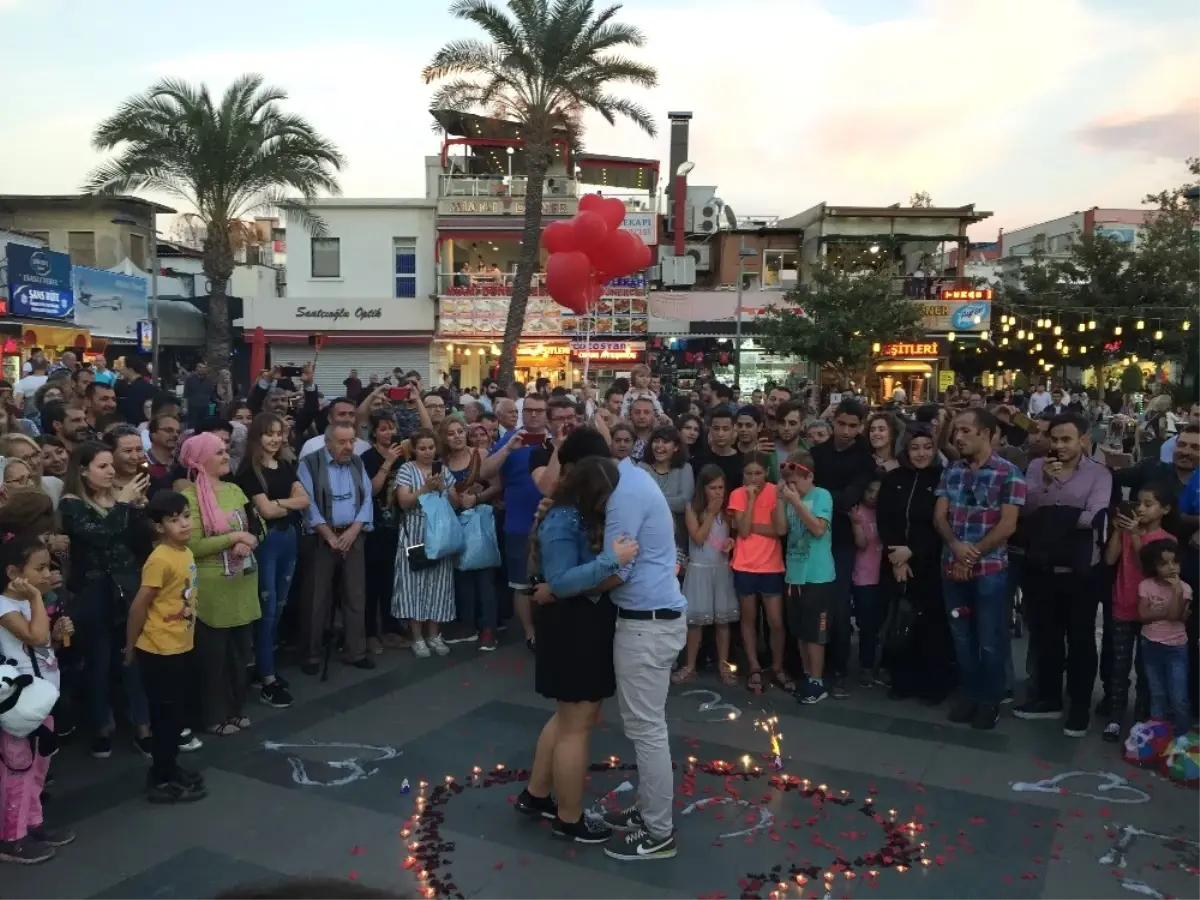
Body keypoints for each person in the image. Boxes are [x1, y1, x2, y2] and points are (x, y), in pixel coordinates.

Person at [519, 451, 635, 844]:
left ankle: (536, 795)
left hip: (585, 625)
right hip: (572, 629)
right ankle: (568, 818)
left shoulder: (579, 516)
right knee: (576, 726)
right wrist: (612, 564)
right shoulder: (562, 518)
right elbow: (563, 581)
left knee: (568, 718)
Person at [588, 453, 687, 861]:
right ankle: (649, 812)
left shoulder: (625, 493)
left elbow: (619, 571)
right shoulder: (635, 480)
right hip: (654, 619)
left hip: (646, 623)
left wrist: (567, 587)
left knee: (647, 731)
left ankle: (659, 833)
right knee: (647, 728)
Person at [1013, 413, 1111, 737]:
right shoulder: (1036, 468)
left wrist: (1054, 517)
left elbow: (1095, 514)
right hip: (1042, 565)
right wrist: (1045, 486)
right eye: (1055, 439)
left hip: (1081, 568)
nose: (1059, 446)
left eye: (1066, 439)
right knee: (1046, 635)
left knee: (1081, 639)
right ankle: (1049, 698)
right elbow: (1024, 508)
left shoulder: (1099, 474)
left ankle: (1079, 706)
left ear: (1083, 439)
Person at [934, 408, 1026, 730]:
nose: (957, 437)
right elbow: (940, 516)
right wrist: (956, 549)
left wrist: (970, 555)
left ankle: (990, 700)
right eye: (955, 431)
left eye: (965, 431)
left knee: (990, 637)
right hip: (952, 567)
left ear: (986, 433)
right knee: (961, 635)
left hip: (989, 570)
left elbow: (1008, 524)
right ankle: (970, 694)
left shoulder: (1009, 473)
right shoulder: (952, 471)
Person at [59, 441, 152, 759]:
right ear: (83, 471)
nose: (111, 471)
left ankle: (142, 725)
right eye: (102, 466)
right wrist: (124, 506)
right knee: (99, 660)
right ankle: (102, 726)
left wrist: (138, 508)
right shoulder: (72, 504)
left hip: (127, 585)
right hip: (94, 590)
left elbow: (140, 539)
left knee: (131, 655)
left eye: (111, 465)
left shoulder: (120, 498)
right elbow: (98, 535)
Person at [122, 491, 207, 803]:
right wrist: (131, 647)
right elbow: (138, 607)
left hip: (181, 643)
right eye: (174, 520)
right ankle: (159, 777)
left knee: (177, 714)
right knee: (165, 716)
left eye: (186, 516)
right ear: (158, 527)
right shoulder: (159, 559)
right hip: (158, 649)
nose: (184, 524)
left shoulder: (184, 551)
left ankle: (169, 766)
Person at [178, 432, 261, 736]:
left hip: (243, 582)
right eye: (218, 452)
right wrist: (235, 538)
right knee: (212, 659)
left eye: (226, 451)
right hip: (211, 587)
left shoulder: (235, 490)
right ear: (200, 459)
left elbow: (254, 526)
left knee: (240, 654)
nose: (226, 456)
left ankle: (236, 709)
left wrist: (248, 541)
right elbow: (194, 545)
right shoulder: (188, 498)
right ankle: (213, 716)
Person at [0, 535, 74, 864]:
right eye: (40, 568)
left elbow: (43, 646)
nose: (48, 575)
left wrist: (56, 637)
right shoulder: (4, 607)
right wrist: (36, 600)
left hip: (43, 698)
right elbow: (35, 636)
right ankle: (11, 837)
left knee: (39, 764)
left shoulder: (31, 603)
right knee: (17, 768)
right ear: (14, 572)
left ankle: (33, 822)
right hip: (18, 704)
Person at [238, 413, 310, 707]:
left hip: (288, 539)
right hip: (265, 543)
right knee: (267, 610)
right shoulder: (247, 472)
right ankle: (267, 678)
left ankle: (262, 668)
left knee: (279, 606)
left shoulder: (285, 466)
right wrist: (286, 505)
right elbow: (265, 512)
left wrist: (278, 504)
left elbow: (305, 501)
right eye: (269, 433)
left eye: (279, 433)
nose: (275, 439)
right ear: (257, 436)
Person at [877, 425, 951, 705]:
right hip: (897, 562)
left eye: (927, 447)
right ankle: (901, 680)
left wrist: (914, 551)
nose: (921, 454)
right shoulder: (894, 478)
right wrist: (896, 556)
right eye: (915, 448)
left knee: (932, 625)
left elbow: (942, 523)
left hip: (930, 563)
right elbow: (884, 519)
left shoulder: (943, 478)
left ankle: (934, 684)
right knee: (900, 622)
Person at [811, 398, 876, 697]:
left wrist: (823, 498)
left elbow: (849, 497)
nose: (847, 431)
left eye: (853, 426)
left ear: (861, 426)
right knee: (811, 602)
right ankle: (811, 666)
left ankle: (837, 669)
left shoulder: (865, 458)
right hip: (812, 537)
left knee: (837, 605)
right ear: (833, 421)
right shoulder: (817, 453)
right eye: (842, 424)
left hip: (842, 541)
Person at [297, 424, 374, 675]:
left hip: (353, 535)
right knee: (317, 597)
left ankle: (356, 651)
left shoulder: (357, 463)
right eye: (342, 442)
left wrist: (353, 531)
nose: (348, 447)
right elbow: (307, 503)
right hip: (322, 536)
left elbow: (367, 498)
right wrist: (329, 535)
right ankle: (311, 654)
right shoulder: (309, 463)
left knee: (356, 596)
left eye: (351, 441)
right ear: (328, 443)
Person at [1101, 481, 1174, 741]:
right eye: (1138, 503)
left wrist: (1134, 536)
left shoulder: (1166, 541)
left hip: (1150, 614)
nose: (1141, 509)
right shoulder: (1126, 531)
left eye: (1148, 504)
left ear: (1165, 509)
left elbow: (1153, 568)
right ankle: (1114, 717)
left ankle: (1142, 717)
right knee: (1119, 668)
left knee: (1146, 669)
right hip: (1122, 605)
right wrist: (1116, 532)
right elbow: (1110, 559)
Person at [480, 393, 551, 650]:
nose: (534, 415)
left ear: (546, 412)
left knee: (551, 579)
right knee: (521, 583)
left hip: (552, 523)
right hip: (519, 524)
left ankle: (548, 629)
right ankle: (530, 633)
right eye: (529, 410)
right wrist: (508, 449)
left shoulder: (556, 440)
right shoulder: (511, 439)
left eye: (539, 410)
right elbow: (485, 472)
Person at [728, 451, 790, 694]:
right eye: (749, 473)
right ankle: (754, 666)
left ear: (767, 472)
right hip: (744, 565)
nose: (753, 478)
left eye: (758, 473)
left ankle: (777, 666)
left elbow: (781, 529)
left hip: (771, 566)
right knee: (748, 619)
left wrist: (755, 525)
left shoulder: (776, 491)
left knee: (775, 621)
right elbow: (742, 531)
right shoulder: (737, 494)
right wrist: (751, 501)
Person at [392, 430, 457, 657]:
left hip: (439, 533)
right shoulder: (407, 470)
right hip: (416, 532)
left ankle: (434, 634)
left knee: (439, 584)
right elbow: (404, 502)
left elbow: (455, 501)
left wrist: (444, 490)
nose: (428, 452)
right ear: (414, 449)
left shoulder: (443, 470)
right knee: (414, 584)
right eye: (422, 448)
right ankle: (417, 637)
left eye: (431, 447)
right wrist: (425, 489)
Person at [778, 451, 835, 704]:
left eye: (796, 482)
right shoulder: (791, 499)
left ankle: (817, 680)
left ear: (809, 476)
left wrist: (796, 502)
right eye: (788, 483)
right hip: (794, 575)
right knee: (800, 631)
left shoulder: (821, 495)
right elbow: (781, 529)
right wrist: (781, 501)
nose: (792, 487)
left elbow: (818, 529)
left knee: (815, 634)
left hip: (817, 576)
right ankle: (806, 675)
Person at [676, 464, 738, 685]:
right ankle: (690, 665)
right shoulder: (692, 509)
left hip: (721, 569)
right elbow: (699, 538)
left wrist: (731, 542)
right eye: (713, 488)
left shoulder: (727, 511)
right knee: (695, 623)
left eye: (721, 487)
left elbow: (730, 537)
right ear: (703, 489)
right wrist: (710, 513)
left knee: (723, 621)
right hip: (699, 570)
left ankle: (724, 664)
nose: (719, 492)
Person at [1137, 538, 1192, 748]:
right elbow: (1142, 614)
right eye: (1164, 563)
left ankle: (1181, 737)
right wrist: (1161, 613)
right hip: (1150, 645)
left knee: (1178, 697)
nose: (1171, 567)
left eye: (1174, 562)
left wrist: (1176, 592)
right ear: (1153, 566)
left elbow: (1175, 615)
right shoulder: (1145, 585)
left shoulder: (1184, 588)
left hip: (1176, 648)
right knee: (1157, 693)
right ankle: (1157, 735)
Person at [359, 410, 406, 651]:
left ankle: (390, 626)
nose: (389, 433)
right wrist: (387, 463)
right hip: (373, 526)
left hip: (397, 526)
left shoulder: (402, 454)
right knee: (372, 581)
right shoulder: (367, 457)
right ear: (374, 432)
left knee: (391, 580)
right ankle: (369, 631)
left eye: (391, 428)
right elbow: (372, 490)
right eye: (383, 428)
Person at [850, 475, 884, 686]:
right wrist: (855, 523)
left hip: (884, 575)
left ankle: (880, 665)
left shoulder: (885, 511)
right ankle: (866, 666)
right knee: (867, 625)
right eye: (870, 491)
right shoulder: (858, 511)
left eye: (878, 492)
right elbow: (861, 543)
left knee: (881, 623)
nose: (873, 496)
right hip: (863, 576)